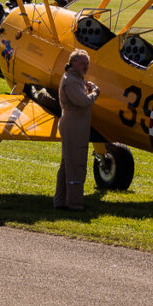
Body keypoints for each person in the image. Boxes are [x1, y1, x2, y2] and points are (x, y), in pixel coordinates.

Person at [54, 49, 100, 211]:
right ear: (73, 63)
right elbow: (83, 101)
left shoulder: (74, 78)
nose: (86, 66)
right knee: (76, 164)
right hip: (74, 125)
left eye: (87, 63)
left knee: (68, 163)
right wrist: (95, 93)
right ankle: (74, 204)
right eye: (83, 63)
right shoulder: (72, 81)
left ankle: (61, 201)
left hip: (73, 123)